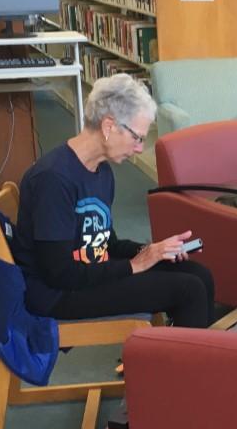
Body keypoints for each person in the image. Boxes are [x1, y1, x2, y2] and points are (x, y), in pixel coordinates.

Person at [12, 72, 215, 328]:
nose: (140, 148)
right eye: (137, 138)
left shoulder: (101, 171)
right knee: (188, 290)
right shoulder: (53, 179)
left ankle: (194, 360)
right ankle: (185, 366)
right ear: (109, 126)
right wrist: (134, 265)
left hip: (88, 273)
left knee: (200, 275)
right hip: (57, 295)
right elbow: (59, 274)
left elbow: (106, 242)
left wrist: (154, 251)